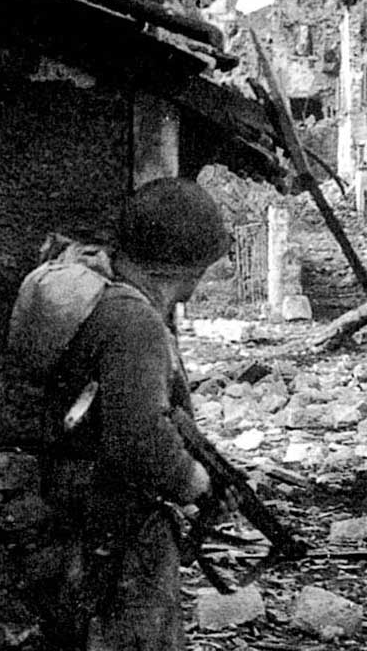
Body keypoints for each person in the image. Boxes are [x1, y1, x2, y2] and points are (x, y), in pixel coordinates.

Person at [46, 177, 227, 651]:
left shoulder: (99, 298)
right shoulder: (134, 320)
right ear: (185, 269)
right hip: (118, 524)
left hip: (74, 510)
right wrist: (195, 481)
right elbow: (141, 438)